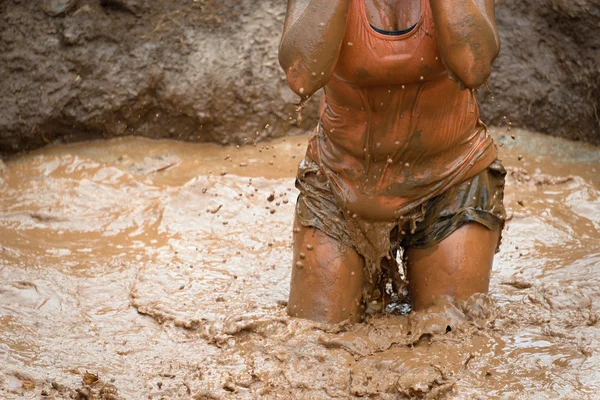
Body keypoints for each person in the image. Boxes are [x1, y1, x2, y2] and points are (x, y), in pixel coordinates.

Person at [279, 0, 506, 323]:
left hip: (451, 180)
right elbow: (301, 75)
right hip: (339, 186)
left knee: (452, 342)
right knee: (313, 338)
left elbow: (474, 66)